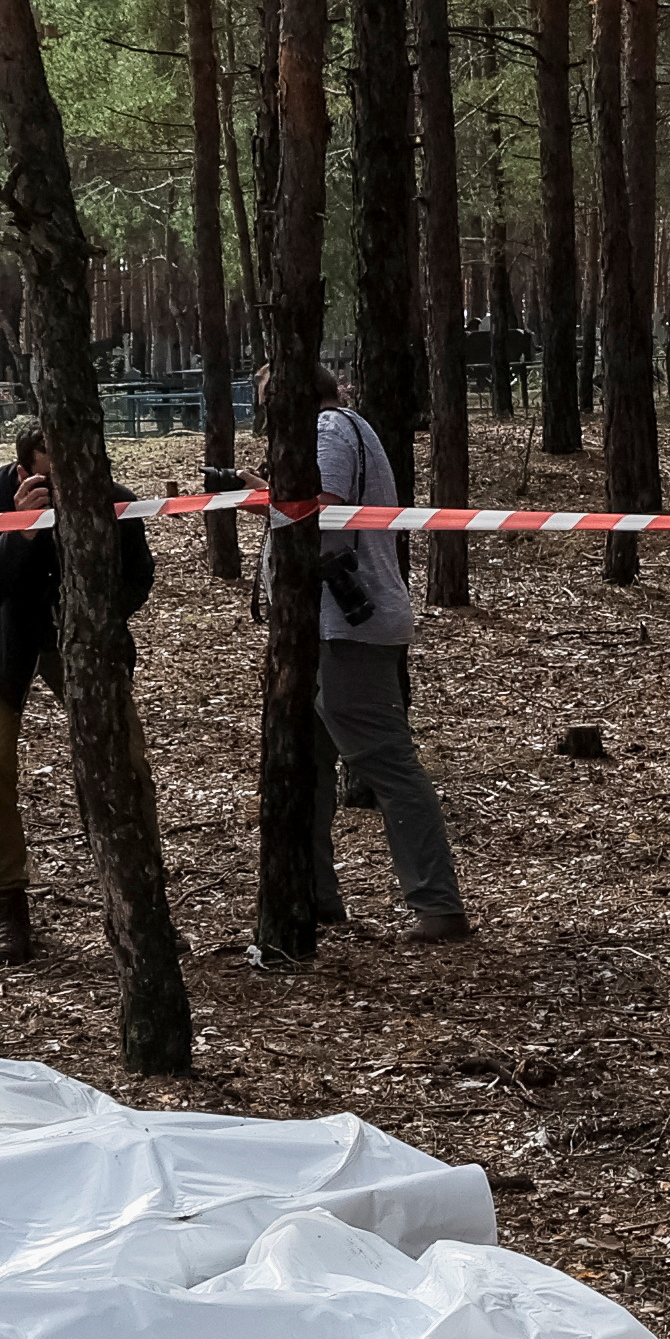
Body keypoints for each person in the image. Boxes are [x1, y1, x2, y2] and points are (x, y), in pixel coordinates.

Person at [0, 418, 156, 964]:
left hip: (79, 643)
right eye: (50, 482)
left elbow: (138, 579)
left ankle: (140, 904)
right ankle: (7, 912)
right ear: (23, 470)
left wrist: (91, 619)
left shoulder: (113, 498)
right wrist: (20, 532)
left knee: (127, 762)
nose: (66, 491)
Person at [283, 384, 470, 944]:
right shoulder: (346, 427)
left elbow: (327, 510)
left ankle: (438, 905)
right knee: (307, 767)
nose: (265, 411)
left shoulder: (327, 429)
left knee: (388, 765)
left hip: (346, 629)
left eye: (272, 397)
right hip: (324, 629)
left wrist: (274, 501)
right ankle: (313, 895)